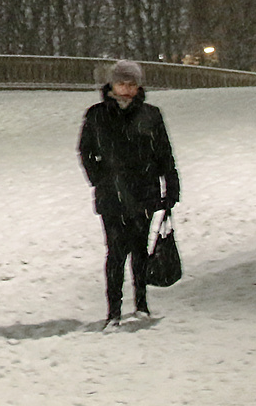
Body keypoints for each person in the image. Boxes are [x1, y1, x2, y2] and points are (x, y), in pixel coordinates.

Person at [77, 59, 180, 330]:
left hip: (144, 191)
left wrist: (171, 187)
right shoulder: (97, 114)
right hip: (112, 195)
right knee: (115, 253)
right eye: (122, 83)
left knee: (140, 250)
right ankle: (114, 311)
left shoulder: (151, 115)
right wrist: (99, 178)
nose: (127, 88)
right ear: (112, 84)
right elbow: (85, 151)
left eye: (132, 84)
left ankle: (142, 303)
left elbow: (164, 154)